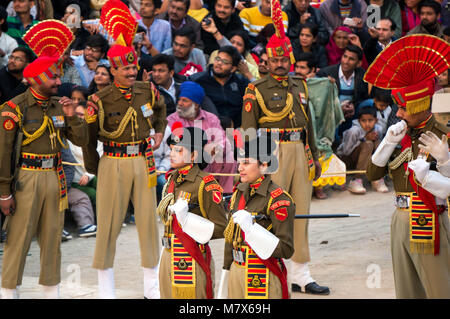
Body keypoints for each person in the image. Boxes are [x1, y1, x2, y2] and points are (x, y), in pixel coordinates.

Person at [240, 5, 329, 295]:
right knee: (274, 211)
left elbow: (309, 126)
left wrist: (314, 155)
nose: (279, 63)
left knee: (300, 211)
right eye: (274, 59)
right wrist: (254, 167)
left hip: (299, 150)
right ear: (266, 60)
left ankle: (301, 273)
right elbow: (249, 131)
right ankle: (269, 270)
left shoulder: (299, 83)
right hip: (271, 152)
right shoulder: (256, 89)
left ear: (290, 58)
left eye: (283, 59)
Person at [81, 0, 167, 299]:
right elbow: (88, 140)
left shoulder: (146, 89)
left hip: (143, 160)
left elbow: (160, 110)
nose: (133, 72)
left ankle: (152, 290)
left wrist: (158, 132)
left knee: (148, 225)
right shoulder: (99, 100)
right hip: (113, 162)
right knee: (107, 227)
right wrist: (95, 169)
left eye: (134, 66)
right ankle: (106, 292)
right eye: (127, 67)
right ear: (113, 69)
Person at [0, 20, 88, 299]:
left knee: (53, 240)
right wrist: (4, 194)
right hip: (26, 178)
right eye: (53, 77)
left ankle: (52, 293)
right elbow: (3, 154)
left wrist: (73, 114)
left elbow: (81, 141)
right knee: (18, 240)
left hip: (55, 178)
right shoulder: (14, 108)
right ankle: (7, 292)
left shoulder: (58, 106)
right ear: (37, 79)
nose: (59, 82)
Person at [365, 34, 450, 298]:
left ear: (419, 103)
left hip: (427, 216)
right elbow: (372, 174)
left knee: (438, 288)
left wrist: (444, 161)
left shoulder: (442, 134)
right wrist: (387, 143)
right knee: (407, 291)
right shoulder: (400, 132)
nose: (398, 113)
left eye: (403, 107)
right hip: (399, 218)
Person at [218, 132, 295, 299]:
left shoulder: (278, 199)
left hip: (262, 272)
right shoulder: (239, 193)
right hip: (236, 271)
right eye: (239, 163)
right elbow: (230, 237)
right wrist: (226, 271)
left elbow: (286, 249)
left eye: (246, 163)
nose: (240, 168)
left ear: (264, 165)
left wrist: (252, 231)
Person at [157, 124, 227, 298]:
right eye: (171, 149)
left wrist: (188, 221)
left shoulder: (205, 184)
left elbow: (221, 228)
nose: (172, 154)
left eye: (179, 150)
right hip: (167, 254)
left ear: (194, 155)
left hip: (191, 257)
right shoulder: (171, 180)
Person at [167, 81, 237, 193]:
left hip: (210, 159)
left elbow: (222, 140)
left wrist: (214, 148)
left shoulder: (211, 118)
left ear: (196, 104)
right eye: (179, 99)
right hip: (185, 159)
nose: (180, 103)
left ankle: (223, 194)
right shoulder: (172, 119)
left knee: (228, 154)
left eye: (185, 100)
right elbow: (172, 145)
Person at [317, 45, 370, 143]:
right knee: (334, 136)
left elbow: (364, 97)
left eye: (351, 59)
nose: (346, 61)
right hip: (332, 113)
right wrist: (338, 108)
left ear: (358, 63)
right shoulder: (326, 73)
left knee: (370, 103)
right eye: (345, 56)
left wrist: (353, 105)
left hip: (352, 113)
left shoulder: (362, 75)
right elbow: (319, 99)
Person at [189, 45, 249, 128]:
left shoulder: (241, 82)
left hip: (236, 130)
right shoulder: (198, 80)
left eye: (225, 62)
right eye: (217, 59)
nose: (219, 63)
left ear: (233, 69)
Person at [336, 106, 387, 194]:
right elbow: (346, 152)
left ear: (376, 120)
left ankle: (377, 177)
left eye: (370, 120)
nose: (367, 124)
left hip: (365, 160)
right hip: (348, 161)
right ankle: (356, 179)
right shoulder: (354, 131)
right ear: (359, 121)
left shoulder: (379, 129)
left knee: (378, 143)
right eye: (364, 121)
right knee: (368, 143)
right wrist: (363, 139)